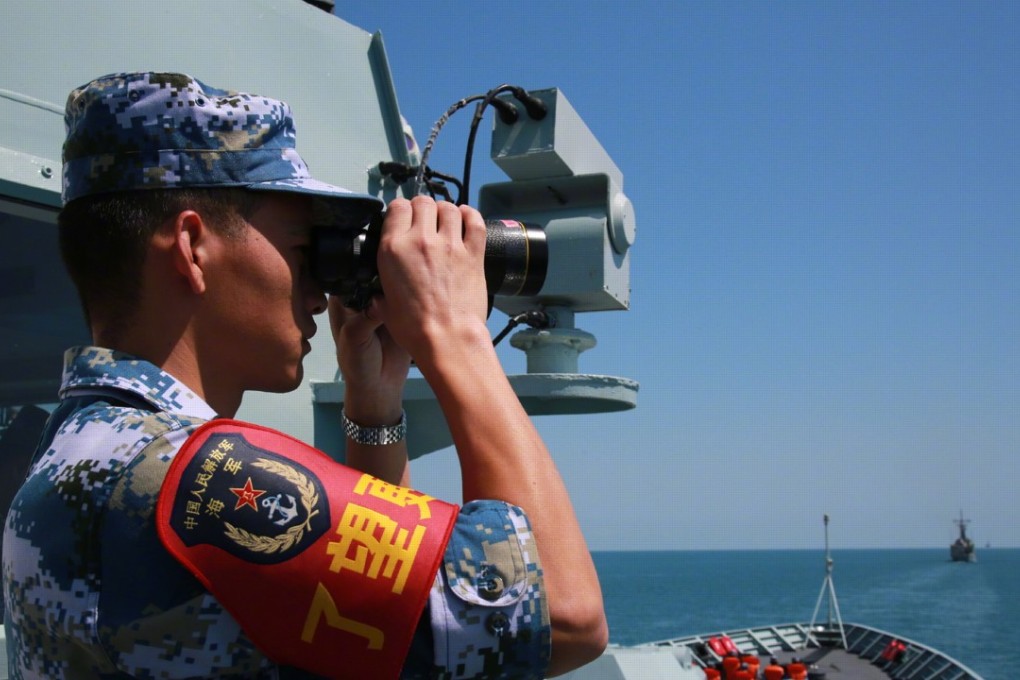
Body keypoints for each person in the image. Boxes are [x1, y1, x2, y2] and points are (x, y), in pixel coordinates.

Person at [2, 71, 607, 678]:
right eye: (302, 250)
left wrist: (374, 408)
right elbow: (563, 615)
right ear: (192, 247)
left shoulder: (83, 448)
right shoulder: (194, 483)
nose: (319, 291)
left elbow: (370, 619)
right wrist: (457, 332)